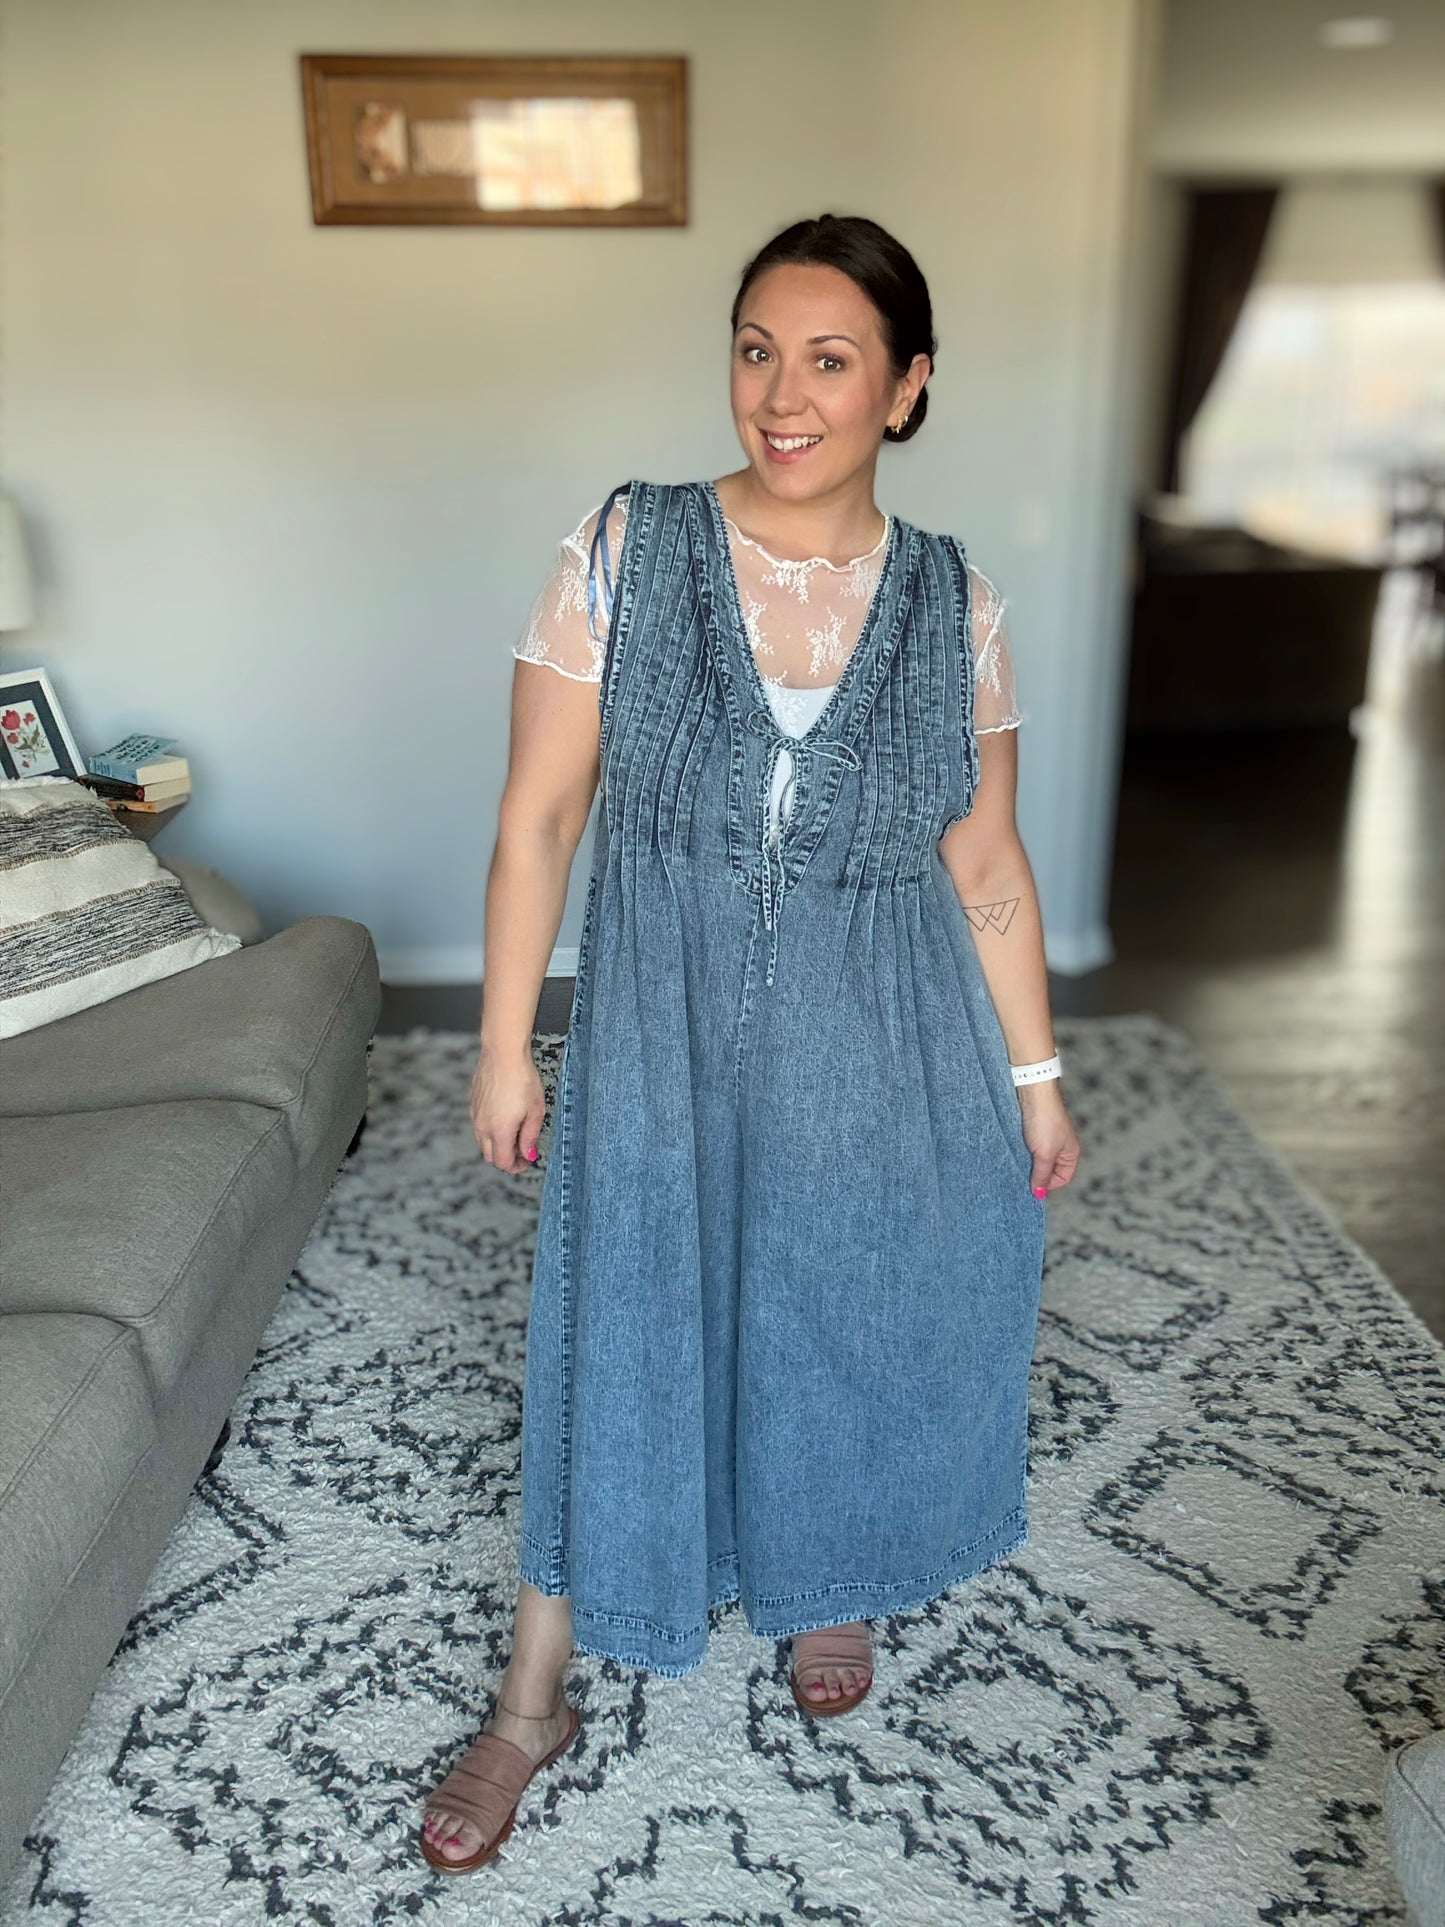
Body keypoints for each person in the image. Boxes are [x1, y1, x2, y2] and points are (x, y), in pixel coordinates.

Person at [420, 212, 1082, 1874]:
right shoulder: (627, 548)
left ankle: (820, 1579)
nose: (782, 398)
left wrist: (1035, 1079)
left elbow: (986, 863)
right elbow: (537, 817)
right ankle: (529, 1701)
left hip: (880, 1037)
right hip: (658, 1033)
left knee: (850, 1301)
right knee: (615, 1325)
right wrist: (503, 1048)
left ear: (906, 387)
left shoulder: (953, 601)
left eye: (830, 361)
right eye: (755, 351)